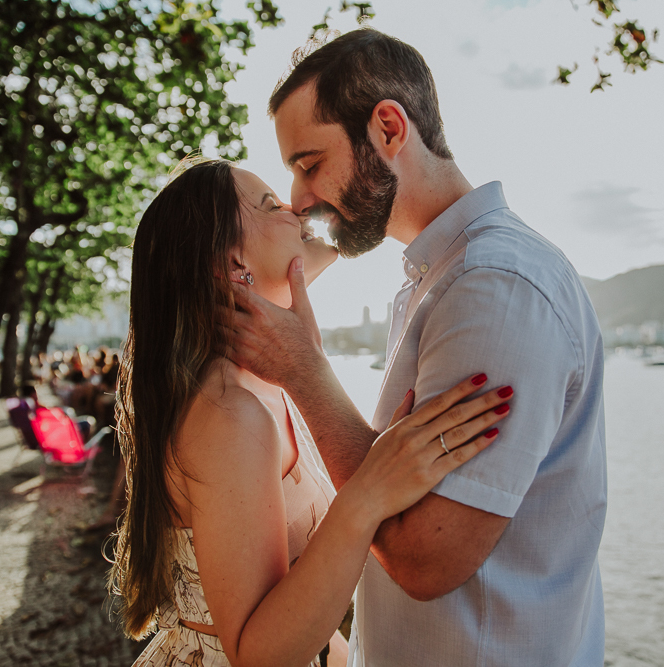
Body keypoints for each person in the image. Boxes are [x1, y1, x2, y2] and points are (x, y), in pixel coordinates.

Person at [227, 28, 607, 667]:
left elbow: (424, 558)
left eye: (309, 164)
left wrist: (304, 370)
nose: (298, 199)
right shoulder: (440, 276)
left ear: (388, 129)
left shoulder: (493, 287)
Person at [108, 159, 514, 667]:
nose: (297, 207)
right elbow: (255, 655)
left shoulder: (261, 380)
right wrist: (367, 493)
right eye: (270, 205)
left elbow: (338, 236)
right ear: (233, 265)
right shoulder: (228, 414)